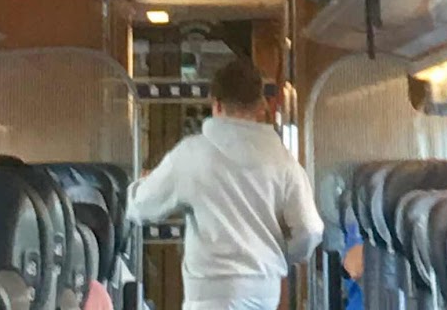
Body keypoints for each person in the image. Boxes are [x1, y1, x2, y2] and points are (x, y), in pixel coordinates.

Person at [128, 57, 321, 310]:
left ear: (216, 105)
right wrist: (281, 254)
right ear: (260, 106)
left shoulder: (192, 154)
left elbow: (141, 207)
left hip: (211, 293)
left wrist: (139, 185)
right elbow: (310, 229)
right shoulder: (283, 161)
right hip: (264, 292)